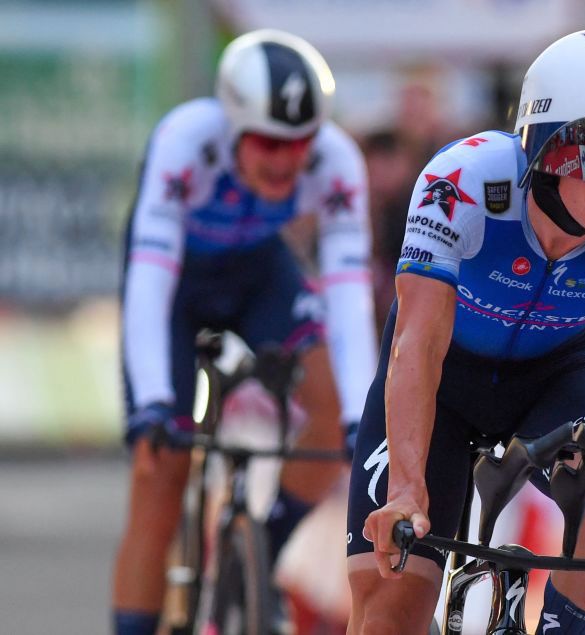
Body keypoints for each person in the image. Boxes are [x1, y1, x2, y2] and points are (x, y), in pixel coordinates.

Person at [346, 29, 585, 634]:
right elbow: (418, 343)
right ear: (543, 142)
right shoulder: (462, 181)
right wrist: (409, 491)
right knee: (388, 615)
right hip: (442, 374)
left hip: (558, 371)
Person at [113, 29, 377, 635]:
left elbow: (346, 293)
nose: (287, 159)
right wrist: (154, 400)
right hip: (176, 284)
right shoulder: (185, 140)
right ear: (232, 125)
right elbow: (149, 286)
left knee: (335, 416)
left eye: (301, 143)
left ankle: (261, 550)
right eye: (267, 142)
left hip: (259, 272)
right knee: (159, 473)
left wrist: (361, 419)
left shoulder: (337, 161)